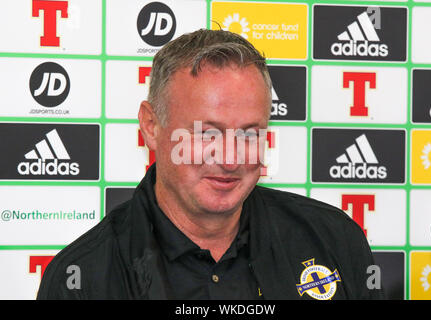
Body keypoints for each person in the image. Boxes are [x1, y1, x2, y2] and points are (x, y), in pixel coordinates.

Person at [37, 29, 383, 300]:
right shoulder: (82, 278)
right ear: (151, 127)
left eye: (250, 134)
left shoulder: (334, 240)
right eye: (207, 134)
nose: (231, 158)